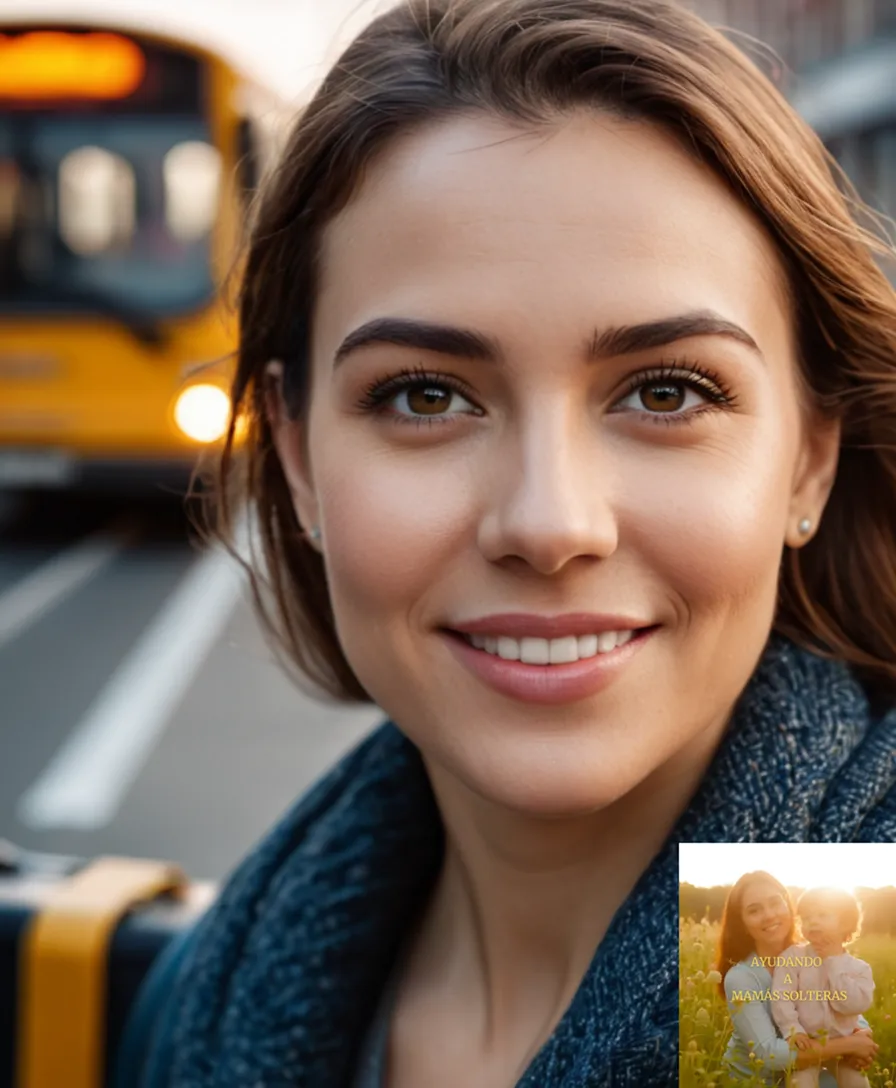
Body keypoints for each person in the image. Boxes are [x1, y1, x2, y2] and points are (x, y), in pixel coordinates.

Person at [143, 0, 896, 1084]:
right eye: (424, 394)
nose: (548, 522)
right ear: (299, 453)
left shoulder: (845, 1008)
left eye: (665, 389)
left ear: (808, 458)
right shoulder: (205, 996)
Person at [717, 874, 878, 1087]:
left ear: (789, 907)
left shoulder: (814, 952)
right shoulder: (741, 977)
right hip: (756, 1079)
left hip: (807, 1065)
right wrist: (849, 1045)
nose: (769, 915)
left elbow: (840, 1003)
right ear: (743, 924)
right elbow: (769, 1053)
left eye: (775, 903)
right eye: (754, 910)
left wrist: (862, 1033)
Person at [770, 887, 875, 1088]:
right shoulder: (792, 958)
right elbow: (782, 997)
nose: (813, 922)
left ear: (845, 923)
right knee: (800, 1083)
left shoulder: (859, 968)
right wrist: (793, 1031)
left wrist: (833, 962)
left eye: (822, 915)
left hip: (844, 1048)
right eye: (807, 918)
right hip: (807, 1044)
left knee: (857, 1083)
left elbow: (853, 1005)